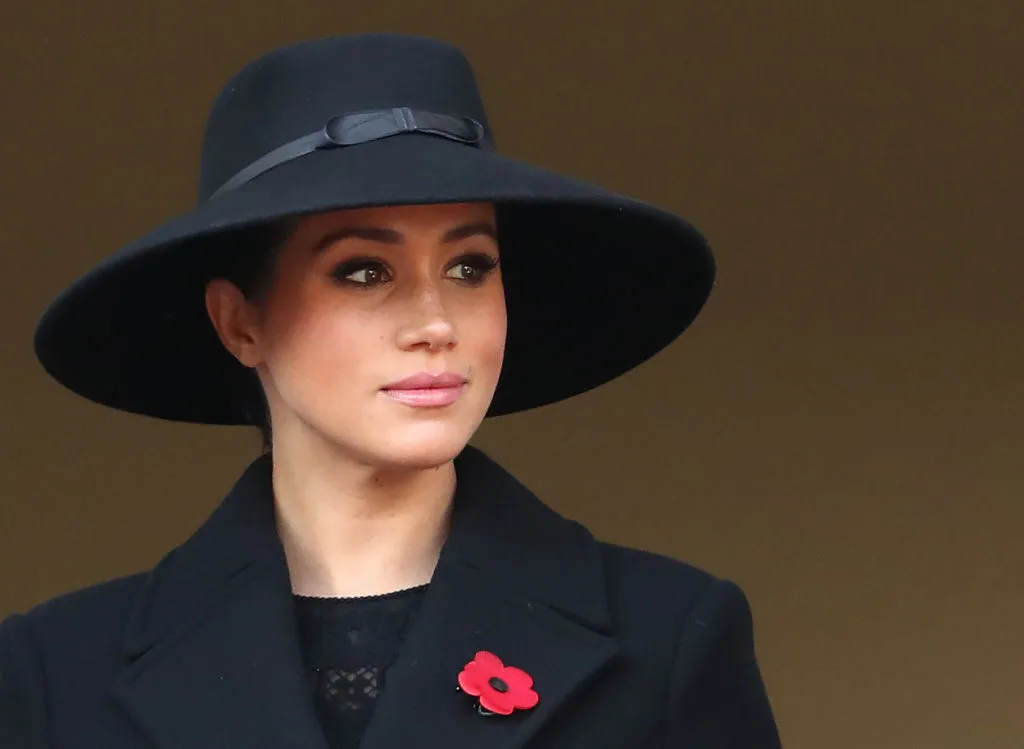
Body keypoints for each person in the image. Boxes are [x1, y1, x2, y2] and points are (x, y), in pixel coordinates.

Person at [0, 33, 781, 749]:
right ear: (240, 323)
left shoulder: (670, 638)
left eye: (470, 265)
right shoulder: (56, 674)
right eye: (364, 271)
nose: (436, 322)